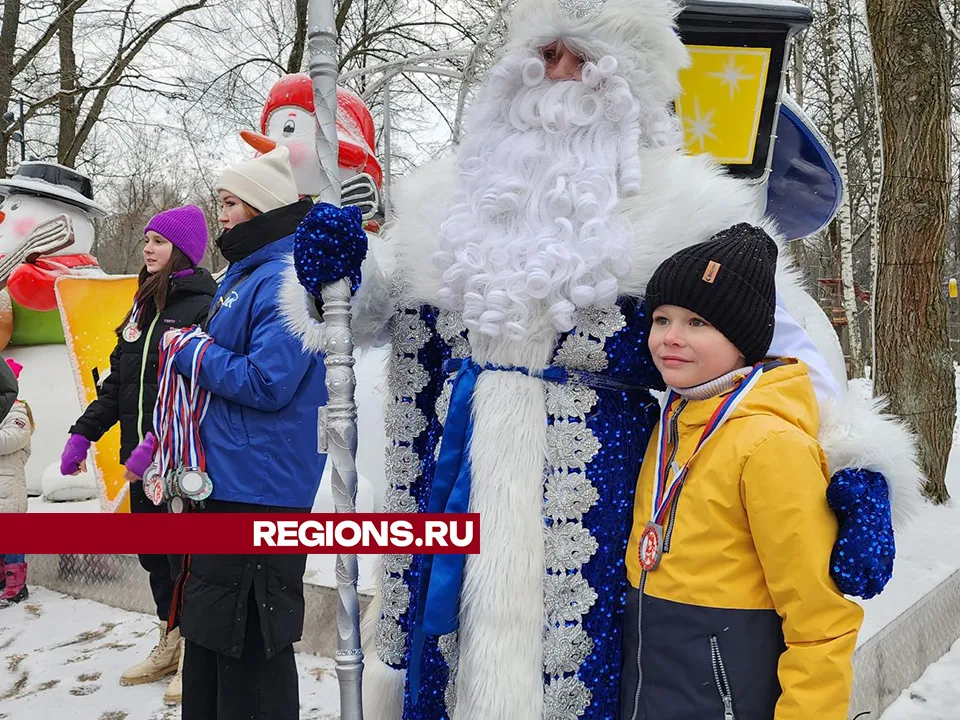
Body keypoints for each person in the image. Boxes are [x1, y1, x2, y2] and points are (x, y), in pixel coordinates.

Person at [293, 1, 919, 717]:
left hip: (602, 502)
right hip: (451, 482)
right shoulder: (443, 201)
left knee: (585, 680)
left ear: (631, 81)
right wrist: (336, 273)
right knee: (452, 673)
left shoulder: (685, 207)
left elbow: (784, 348)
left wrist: (856, 461)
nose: (556, 76)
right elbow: (369, 319)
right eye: (544, 53)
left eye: (582, 58)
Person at [620, 225, 862, 720]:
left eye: (698, 323)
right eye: (661, 319)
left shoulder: (771, 446)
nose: (670, 339)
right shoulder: (672, 422)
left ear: (743, 339)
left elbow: (821, 621)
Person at [161, 146, 330, 720]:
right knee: (212, 633)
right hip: (227, 481)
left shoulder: (287, 277)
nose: (222, 214)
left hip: (261, 490)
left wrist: (192, 351)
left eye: (231, 202)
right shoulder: (245, 272)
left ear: (263, 206)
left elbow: (269, 381)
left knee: (249, 638)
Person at [59, 205, 217, 700]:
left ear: (184, 252)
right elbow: (118, 385)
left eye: (159, 242)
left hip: (181, 464)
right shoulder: (139, 306)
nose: (147, 249)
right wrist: (83, 433)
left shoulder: (204, 306)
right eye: (146, 240)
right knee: (154, 557)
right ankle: (167, 640)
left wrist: (169, 444)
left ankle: (196, 655)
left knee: (186, 561)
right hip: (139, 462)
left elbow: (206, 391)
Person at [0, 358, 32, 608]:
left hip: (9, 489)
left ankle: (16, 586)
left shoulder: (17, 411)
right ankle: (3, 580)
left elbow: (14, 438)